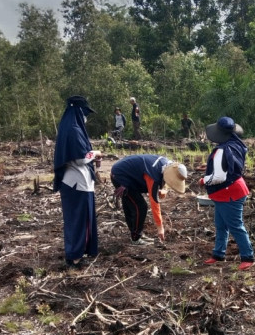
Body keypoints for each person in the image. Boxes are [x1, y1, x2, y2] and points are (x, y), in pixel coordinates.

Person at [199, 117, 255, 270]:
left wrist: (204, 180)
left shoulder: (221, 150)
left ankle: (247, 257)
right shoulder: (236, 144)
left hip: (229, 192)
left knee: (236, 226)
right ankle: (218, 254)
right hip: (231, 189)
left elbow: (219, 177)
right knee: (221, 225)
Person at [53, 95, 102, 268]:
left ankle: (78, 253)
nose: (86, 117)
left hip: (79, 183)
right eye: (85, 113)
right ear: (79, 111)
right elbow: (82, 158)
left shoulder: (70, 127)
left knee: (82, 220)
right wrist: (95, 153)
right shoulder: (73, 129)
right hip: (76, 184)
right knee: (77, 221)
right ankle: (74, 257)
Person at [110, 155, 188, 244]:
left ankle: (135, 234)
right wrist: (160, 228)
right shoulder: (153, 175)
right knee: (140, 207)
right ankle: (136, 238)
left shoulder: (166, 164)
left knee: (131, 203)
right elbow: (154, 202)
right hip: (121, 176)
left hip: (125, 172)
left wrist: (160, 189)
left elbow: (159, 179)